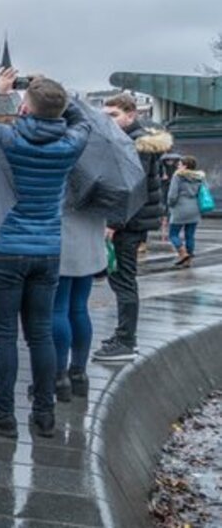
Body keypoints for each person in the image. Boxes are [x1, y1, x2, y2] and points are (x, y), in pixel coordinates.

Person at [0, 70, 91, 440]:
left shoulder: (4, 138)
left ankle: (3, 414)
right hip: (47, 251)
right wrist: (50, 87)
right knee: (40, 335)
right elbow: (80, 116)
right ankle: (45, 414)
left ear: (23, 108)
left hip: (3, 249)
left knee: (3, 338)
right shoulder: (71, 144)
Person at [95, 93, 173, 362]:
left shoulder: (134, 145)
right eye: (105, 116)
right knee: (122, 279)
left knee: (124, 280)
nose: (109, 121)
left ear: (131, 115)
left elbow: (130, 187)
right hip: (133, 221)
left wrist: (114, 223)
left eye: (114, 115)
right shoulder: (135, 142)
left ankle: (127, 340)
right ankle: (124, 335)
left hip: (128, 223)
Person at [53, 202, 106, 403]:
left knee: (58, 310)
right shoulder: (103, 170)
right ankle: (79, 374)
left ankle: (59, 377)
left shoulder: (69, 170)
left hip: (65, 241)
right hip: (91, 241)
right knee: (80, 308)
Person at [166, 155, 205, 269]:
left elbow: (172, 195)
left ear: (185, 166)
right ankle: (189, 260)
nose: (177, 166)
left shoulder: (178, 176)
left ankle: (183, 253)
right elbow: (202, 192)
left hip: (180, 207)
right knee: (190, 235)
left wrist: (170, 205)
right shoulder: (200, 177)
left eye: (179, 164)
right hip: (194, 208)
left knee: (173, 234)